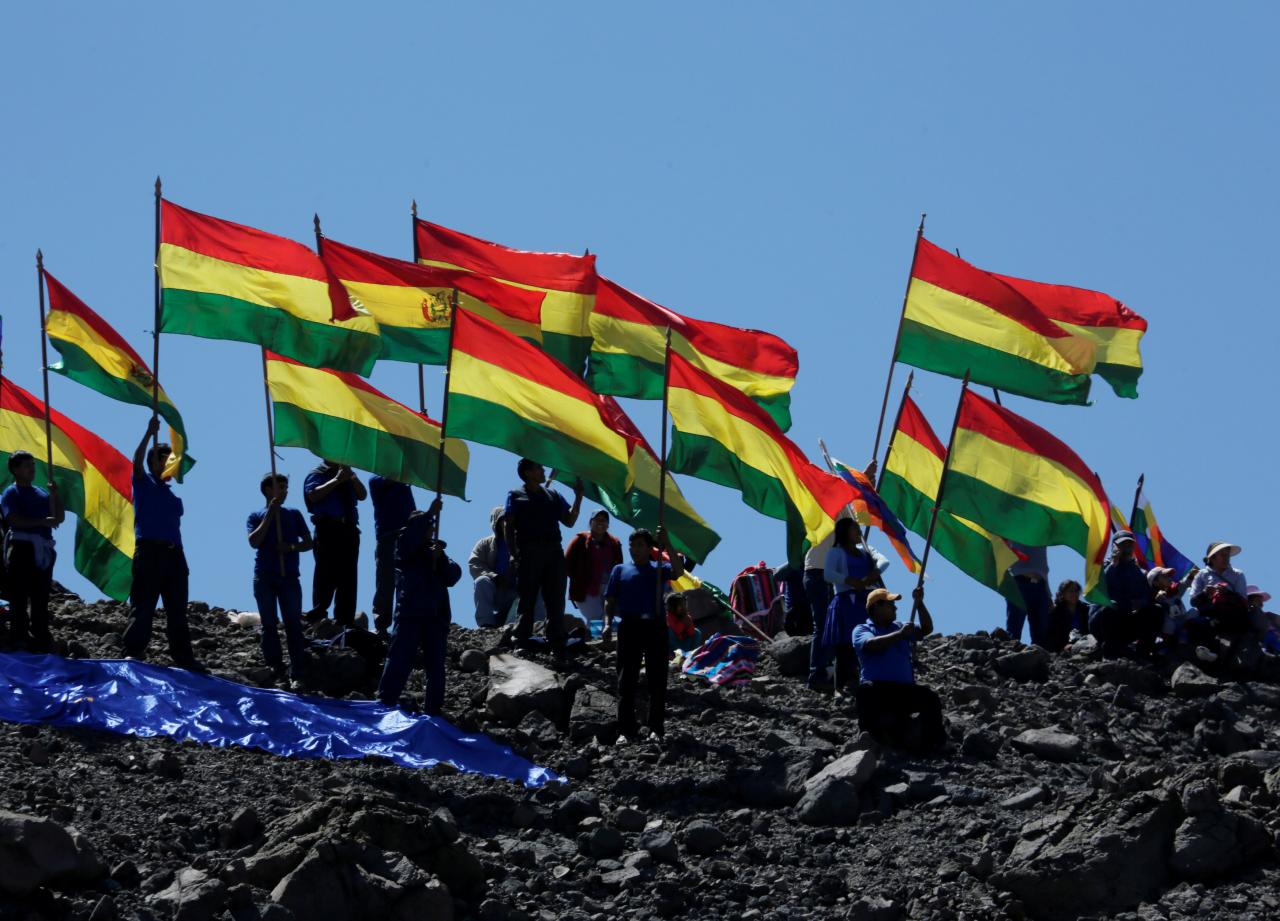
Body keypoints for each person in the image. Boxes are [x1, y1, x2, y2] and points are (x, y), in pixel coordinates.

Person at [122, 419, 201, 669]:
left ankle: (184, 658)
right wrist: (148, 433)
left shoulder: (171, 494)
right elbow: (135, 461)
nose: (169, 463)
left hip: (174, 555)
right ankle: (134, 650)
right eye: (164, 459)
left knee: (177, 609)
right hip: (150, 551)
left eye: (171, 459)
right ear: (153, 462)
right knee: (144, 603)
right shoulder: (143, 483)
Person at [605, 527, 684, 743]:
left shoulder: (659, 568)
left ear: (650, 548)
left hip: (655, 626)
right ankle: (625, 730)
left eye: (640, 545)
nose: (635, 549)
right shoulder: (619, 570)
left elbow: (679, 571)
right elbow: (610, 600)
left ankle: (655, 729)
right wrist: (606, 624)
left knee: (657, 679)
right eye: (633, 545)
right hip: (629, 626)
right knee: (626, 679)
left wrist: (667, 541)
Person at [378, 499, 455, 714]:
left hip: (435, 617)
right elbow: (410, 540)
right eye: (427, 525)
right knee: (399, 659)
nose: (430, 529)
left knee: (436, 667)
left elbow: (453, 575)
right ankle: (386, 701)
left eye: (431, 525)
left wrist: (440, 559)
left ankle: (433, 710)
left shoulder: (436, 552)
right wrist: (430, 512)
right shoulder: (405, 545)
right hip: (410, 612)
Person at [852, 586, 945, 753]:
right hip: (879, 689)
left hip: (903, 690)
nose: (895, 608)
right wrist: (900, 635)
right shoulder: (862, 629)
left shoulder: (900, 626)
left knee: (929, 698)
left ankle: (935, 742)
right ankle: (869, 738)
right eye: (890, 604)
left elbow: (926, 628)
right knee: (865, 691)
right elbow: (871, 645)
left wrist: (920, 604)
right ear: (877, 607)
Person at [503, 459, 583, 650]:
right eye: (539, 467)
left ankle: (556, 638)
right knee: (527, 596)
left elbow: (569, 520)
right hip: (529, 551)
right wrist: (513, 553)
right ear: (528, 472)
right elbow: (508, 525)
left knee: (555, 596)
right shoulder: (515, 495)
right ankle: (521, 638)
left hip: (554, 551)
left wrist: (579, 497)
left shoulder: (553, 494)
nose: (543, 469)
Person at [246, 473, 314, 684]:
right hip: (264, 575)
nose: (285, 491)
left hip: (289, 577)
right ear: (268, 490)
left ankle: (298, 671)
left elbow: (309, 542)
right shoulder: (255, 515)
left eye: (285, 487)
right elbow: (254, 541)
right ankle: (275, 666)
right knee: (269, 623)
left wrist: (291, 547)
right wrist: (270, 515)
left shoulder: (293, 514)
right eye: (280, 487)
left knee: (293, 624)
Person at [1, 451, 63, 652]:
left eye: (33, 465)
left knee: (40, 596)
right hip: (21, 548)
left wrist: (55, 495)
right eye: (28, 465)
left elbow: (58, 518)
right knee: (19, 595)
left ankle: (40, 637)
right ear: (16, 470)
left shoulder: (41, 493)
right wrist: (41, 522)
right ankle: (19, 636)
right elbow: (13, 520)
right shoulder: (11, 493)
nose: (32, 469)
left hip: (42, 550)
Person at [820, 518, 887, 693]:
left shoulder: (866, 550)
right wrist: (848, 580)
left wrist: (875, 572)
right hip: (846, 603)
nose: (859, 531)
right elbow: (828, 574)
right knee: (844, 645)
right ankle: (840, 687)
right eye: (855, 528)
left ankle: (865, 681)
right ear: (844, 532)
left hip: (865, 603)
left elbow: (884, 561)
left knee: (867, 642)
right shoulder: (835, 552)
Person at [303, 460, 366, 627]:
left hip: (349, 529)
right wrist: (337, 480)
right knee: (325, 573)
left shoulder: (347, 473)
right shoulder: (318, 473)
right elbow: (313, 494)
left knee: (348, 577)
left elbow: (362, 495)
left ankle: (345, 620)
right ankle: (318, 616)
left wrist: (351, 476)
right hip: (328, 528)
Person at [1088, 531, 1164, 658]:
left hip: (1126, 620)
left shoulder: (1137, 571)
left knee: (1156, 610)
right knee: (1111, 606)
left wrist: (1140, 603)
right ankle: (1109, 653)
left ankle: (1143, 653)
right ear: (1114, 547)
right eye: (1123, 545)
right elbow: (1099, 588)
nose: (1126, 548)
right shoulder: (1102, 566)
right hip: (1101, 621)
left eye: (1129, 545)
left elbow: (1145, 595)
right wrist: (1113, 565)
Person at [369, 476, 416, 635]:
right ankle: (381, 625)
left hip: (407, 535)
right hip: (388, 536)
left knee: (407, 582)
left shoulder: (403, 482)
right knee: (386, 581)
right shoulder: (376, 479)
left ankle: (404, 625)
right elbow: (390, 479)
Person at [566, 510, 622, 637]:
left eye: (604, 520)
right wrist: (579, 579)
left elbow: (619, 567)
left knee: (610, 616)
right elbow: (566, 564)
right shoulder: (580, 540)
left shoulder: (614, 542)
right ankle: (596, 644)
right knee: (597, 617)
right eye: (597, 519)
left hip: (608, 588)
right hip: (585, 589)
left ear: (608, 524)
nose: (600, 523)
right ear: (590, 523)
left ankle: (597, 642)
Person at [1189, 542, 1252, 637]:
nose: (1226, 558)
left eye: (1227, 555)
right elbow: (1193, 601)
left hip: (1232, 614)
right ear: (1212, 558)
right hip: (1208, 612)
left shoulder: (1238, 574)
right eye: (1222, 555)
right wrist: (1205, 593)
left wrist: (1227, 593)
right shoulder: (1201, 575)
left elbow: (1243, 601)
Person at [1005, 543, 1051, 647]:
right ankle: (1011, 657)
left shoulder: (1042, 536)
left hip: (1040, 585)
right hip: (1019, 583)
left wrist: (1048, 593)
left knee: (1041, 632)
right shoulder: (1013, 531)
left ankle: (1039, 659)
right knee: (1014, 628)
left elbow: (1043, 566)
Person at [1045, 579, 1084, 652]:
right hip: (1064, 648)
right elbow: (1053, 635)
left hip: (1085, 642)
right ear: (1063, 594)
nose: (1074, 594)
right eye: (1070, 591)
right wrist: (1063, 646)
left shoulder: (1085, 609)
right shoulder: (1056, 612)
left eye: (1076, 591)